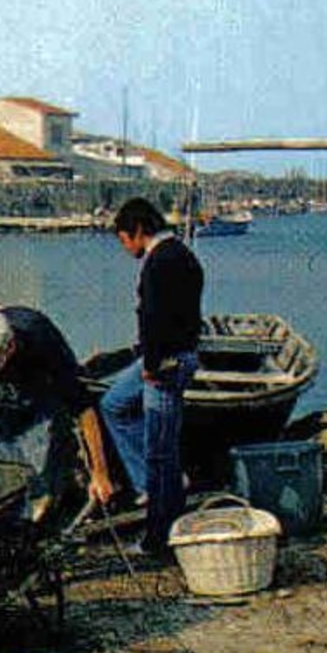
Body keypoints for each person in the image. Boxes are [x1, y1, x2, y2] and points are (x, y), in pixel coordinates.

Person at [0, 304, 115, 523]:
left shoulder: (43, 342)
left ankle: (37, 512)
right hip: (3, 397)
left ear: (9, 347)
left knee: (39, 475)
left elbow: (83, 409)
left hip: (42, 388)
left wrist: (100, 474)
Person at [100, 197, 205, 559]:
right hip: (177, 354)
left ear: (139, 231)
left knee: (161, 451)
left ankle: (158, 537)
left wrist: (152, 363)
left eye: (124, 240)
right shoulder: (181, 254)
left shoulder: (159, 263)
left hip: (166, 362)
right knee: (113, 403)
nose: (125, 247)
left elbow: (156, 317)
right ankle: (149, 483)